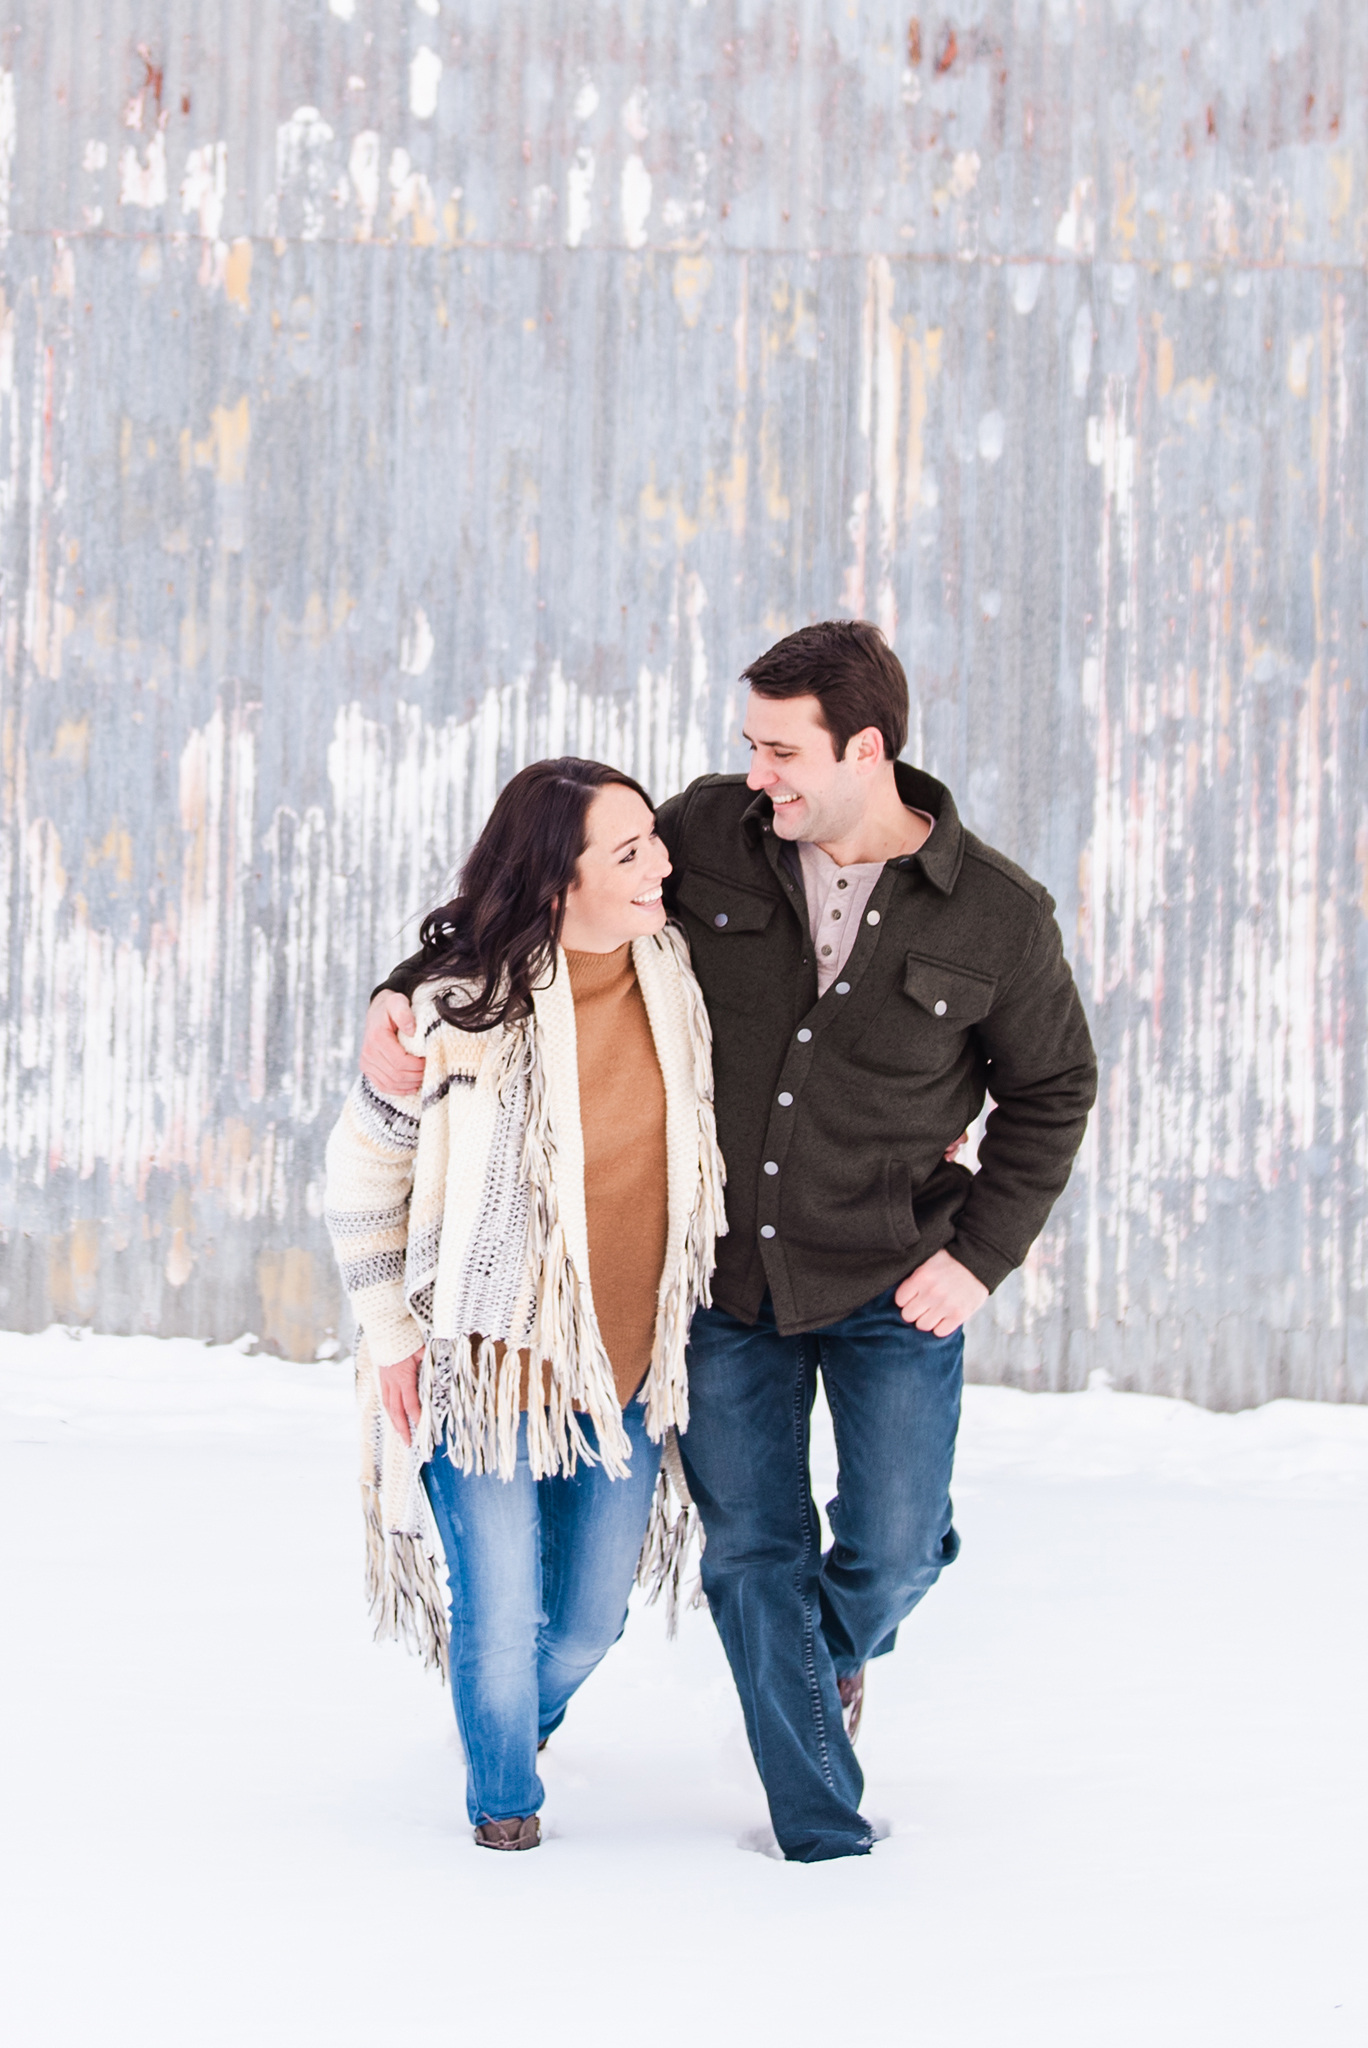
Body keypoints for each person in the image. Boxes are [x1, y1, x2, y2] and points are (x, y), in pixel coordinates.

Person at [363, 621, 1097, 1863]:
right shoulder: (706, 832)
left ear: (864, 747)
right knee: (755, 1550)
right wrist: (406, 984)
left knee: (901, 1540)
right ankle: (822, 1829)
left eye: (781, 747)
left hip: (891, 1274)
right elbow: (539, 891)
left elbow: (1054, 1090)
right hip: (723, 1286)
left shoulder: (998, 918)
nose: (756, 770)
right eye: (750, 743)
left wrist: (978, 1256)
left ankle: (835, 1651)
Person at [325, 758, 725, 1851]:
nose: (663, 864)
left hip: (630, 1366)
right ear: (557, 882)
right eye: (630, 850)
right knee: (497, 1617)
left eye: (656, 840)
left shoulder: (679, 977)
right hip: (484, 1366)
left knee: (590, 1617)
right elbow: (362, 1182)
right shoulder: (449, 1016)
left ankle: (519, 1722)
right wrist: (393, 1336)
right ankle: (503, 1799)